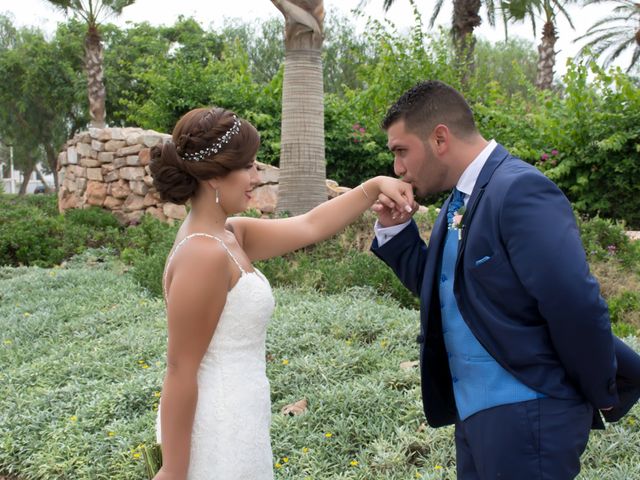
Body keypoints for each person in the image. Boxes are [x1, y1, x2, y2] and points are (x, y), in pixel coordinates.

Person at [370, 80, 640, 479]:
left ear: (439, 138)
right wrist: (394, 232)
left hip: (532, 416)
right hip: (476, 419)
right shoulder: (457, 201)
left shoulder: (520, 189)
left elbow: (574, 303)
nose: (397, 168)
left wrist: (599, 390)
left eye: (401, 150)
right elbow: (448, 289)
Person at [148, 106, 415, 480]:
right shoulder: (203, 254)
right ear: (213, 177)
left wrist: (373, 187)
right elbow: (179, 369)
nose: (256, 177)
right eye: (249, 166)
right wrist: (174, 470)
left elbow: (309, 225)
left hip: (243, 420)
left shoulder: (229, 234)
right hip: (217, 432)